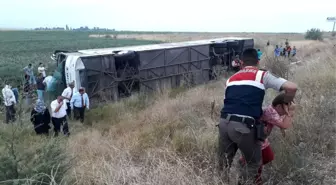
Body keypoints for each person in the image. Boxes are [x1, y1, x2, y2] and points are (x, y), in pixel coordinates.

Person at [217, 48, 298, 185]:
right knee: (253, 163)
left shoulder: (230, 79)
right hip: (244, 126)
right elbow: (292, 87)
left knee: (223, 164)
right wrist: (287, 103)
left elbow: (228, 102)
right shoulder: (262, 75)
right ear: (258, 62)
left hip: (224, 123)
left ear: (241, 63)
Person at [239, 93, 296, 185]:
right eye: (286, 109)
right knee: (259, 163)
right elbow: (285, 125)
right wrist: (291, 112)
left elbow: (281, 122)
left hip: (259, 137)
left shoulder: (274, 110)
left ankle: (245, 161)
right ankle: (255, 180)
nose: (286, 112)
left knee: (268, 157)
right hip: (253, 139)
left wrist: (283, 127)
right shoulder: (271, 112)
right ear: (278, 106)